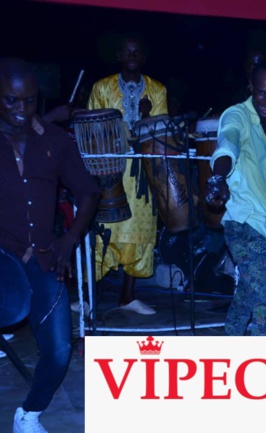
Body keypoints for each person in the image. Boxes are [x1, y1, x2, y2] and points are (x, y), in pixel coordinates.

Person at [0, 58, 100, 433]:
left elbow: (88, 193)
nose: (22, 110)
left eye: (29, 101)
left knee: (59, 351)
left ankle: (28, 415)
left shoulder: (55, 141)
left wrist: (69, 240)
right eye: (11, 100)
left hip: (43, 257)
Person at [206, 57, 266, 336]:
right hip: (243, 224)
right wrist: (219, 178)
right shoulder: (237, 116)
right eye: (261, 92)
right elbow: (227, 145)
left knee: (245, 298)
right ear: (251, 88)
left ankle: (229, 348)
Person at [86, 32, 168, 315]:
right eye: (127, 51)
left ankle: (128, 296)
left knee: (140, 232)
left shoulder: (157, 90)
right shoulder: (101, 88)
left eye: (137, 51)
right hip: (110, 172)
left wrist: (146, 116)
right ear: (119, 55)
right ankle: (89, 298)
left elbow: (160, 133)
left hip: (143, 174)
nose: (132, 56)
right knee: (103, 232)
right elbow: (91, 129)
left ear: (144, 57)